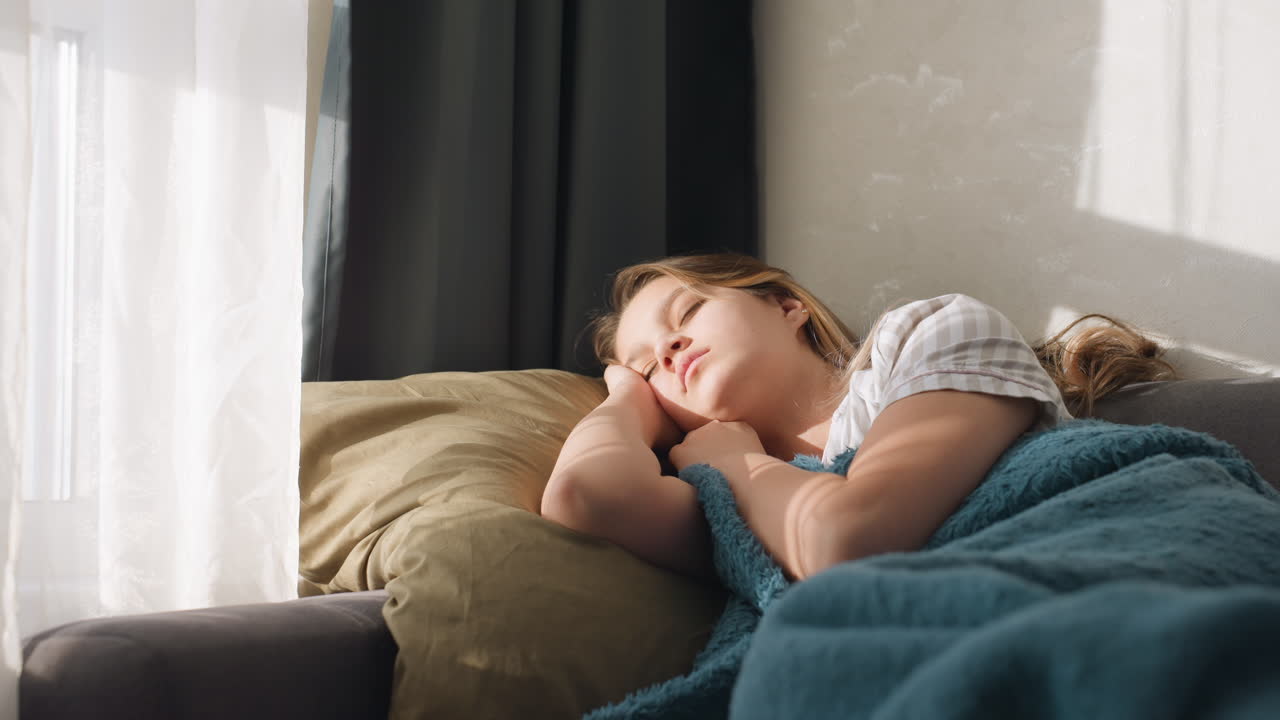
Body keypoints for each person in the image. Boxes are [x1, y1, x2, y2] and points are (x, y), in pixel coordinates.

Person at [540, 253, 1176, 582]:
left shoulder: (927, 333)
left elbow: (853, 538)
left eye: (685, 315)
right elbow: (584, 496)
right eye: (648, 365)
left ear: (786, 306)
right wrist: (623, 395)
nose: (669, 350)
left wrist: (735, 461)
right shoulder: (710, 490)